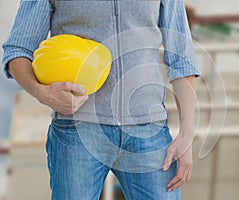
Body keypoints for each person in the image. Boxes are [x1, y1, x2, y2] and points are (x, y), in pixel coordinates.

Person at [2, 0, 200, 199]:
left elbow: (181, 58)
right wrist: (41, 92)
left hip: (149, 131)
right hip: (77, 129)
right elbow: (18, 50)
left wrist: (187, 132)